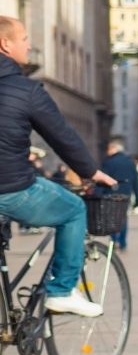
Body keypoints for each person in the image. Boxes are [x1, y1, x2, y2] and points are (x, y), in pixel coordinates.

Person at [0, 17, 117, 317]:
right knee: (73, 210)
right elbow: (62, 137)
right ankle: (62, 290)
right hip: (11, 188)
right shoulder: (26, 90)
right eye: (24, 38)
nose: (29, 44)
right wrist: (92, 171)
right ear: (6, 44)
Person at [100, 137, 138, 250]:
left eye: (108, 148)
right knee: (123, 218)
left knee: (112, 218)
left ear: (114, 148)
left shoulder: (108, 162)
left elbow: (103, 179)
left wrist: (98, 193)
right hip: (125, 195)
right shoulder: (129, 162)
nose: (107, 151)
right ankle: (123, 242)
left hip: (111, 194)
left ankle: (114, 240)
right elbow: (135, 182)